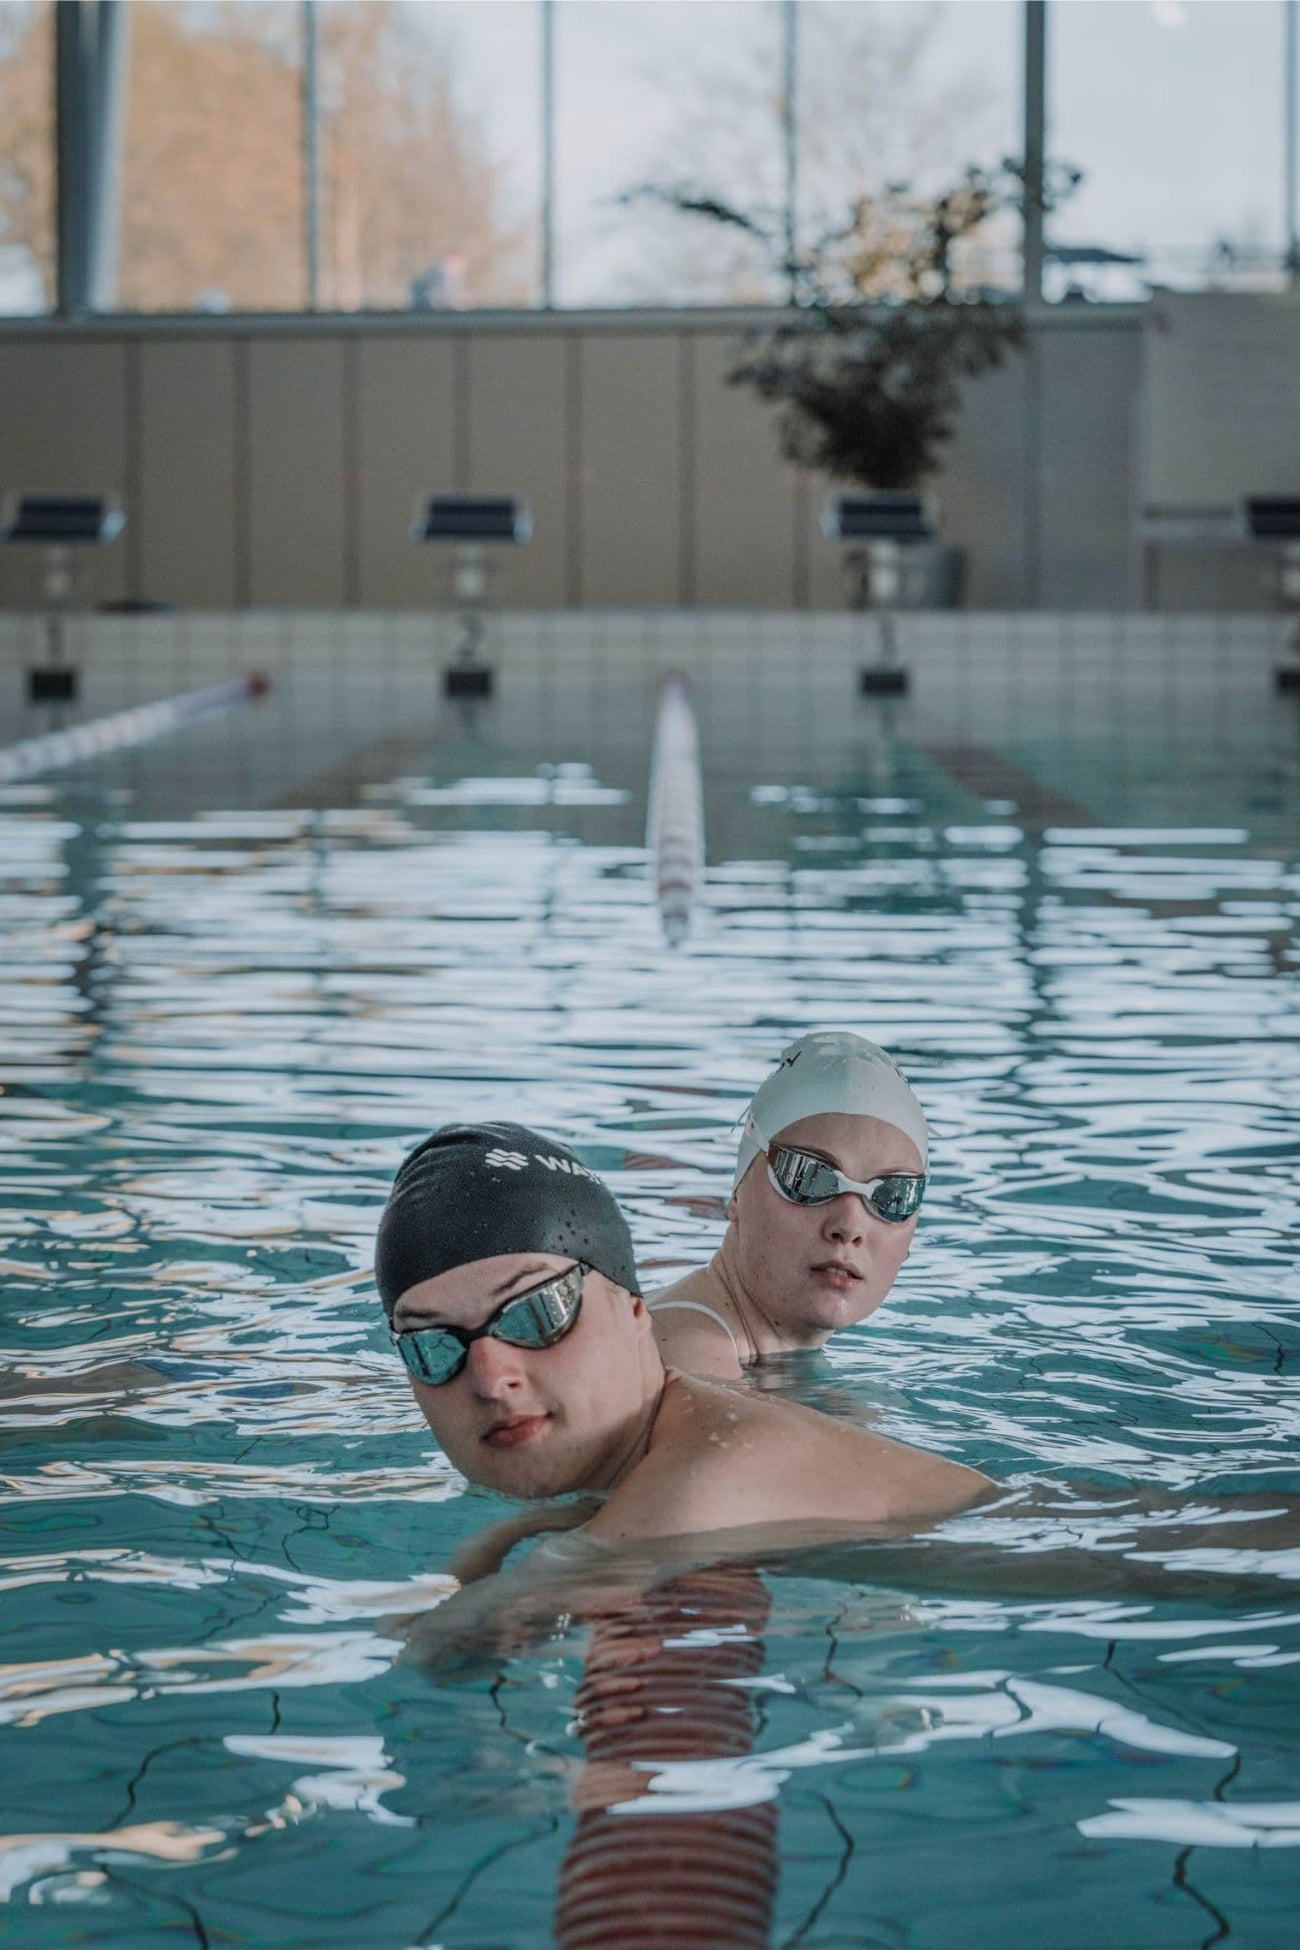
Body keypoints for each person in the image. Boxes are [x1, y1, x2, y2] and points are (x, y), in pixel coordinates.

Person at [375, 1119, 988, 1556]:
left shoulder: (706, 1475)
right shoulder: (665, 1465)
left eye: (537, 1313)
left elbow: (459, 1644)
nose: (490, 1379)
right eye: (432, 1345)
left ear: (638, 1310)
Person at [650, 1030, 929, 1380]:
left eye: (892, 1195)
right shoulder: (681, 1344)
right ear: (737, 1193)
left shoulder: (751, 1352)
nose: (849, 1225)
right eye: (807, 1177)